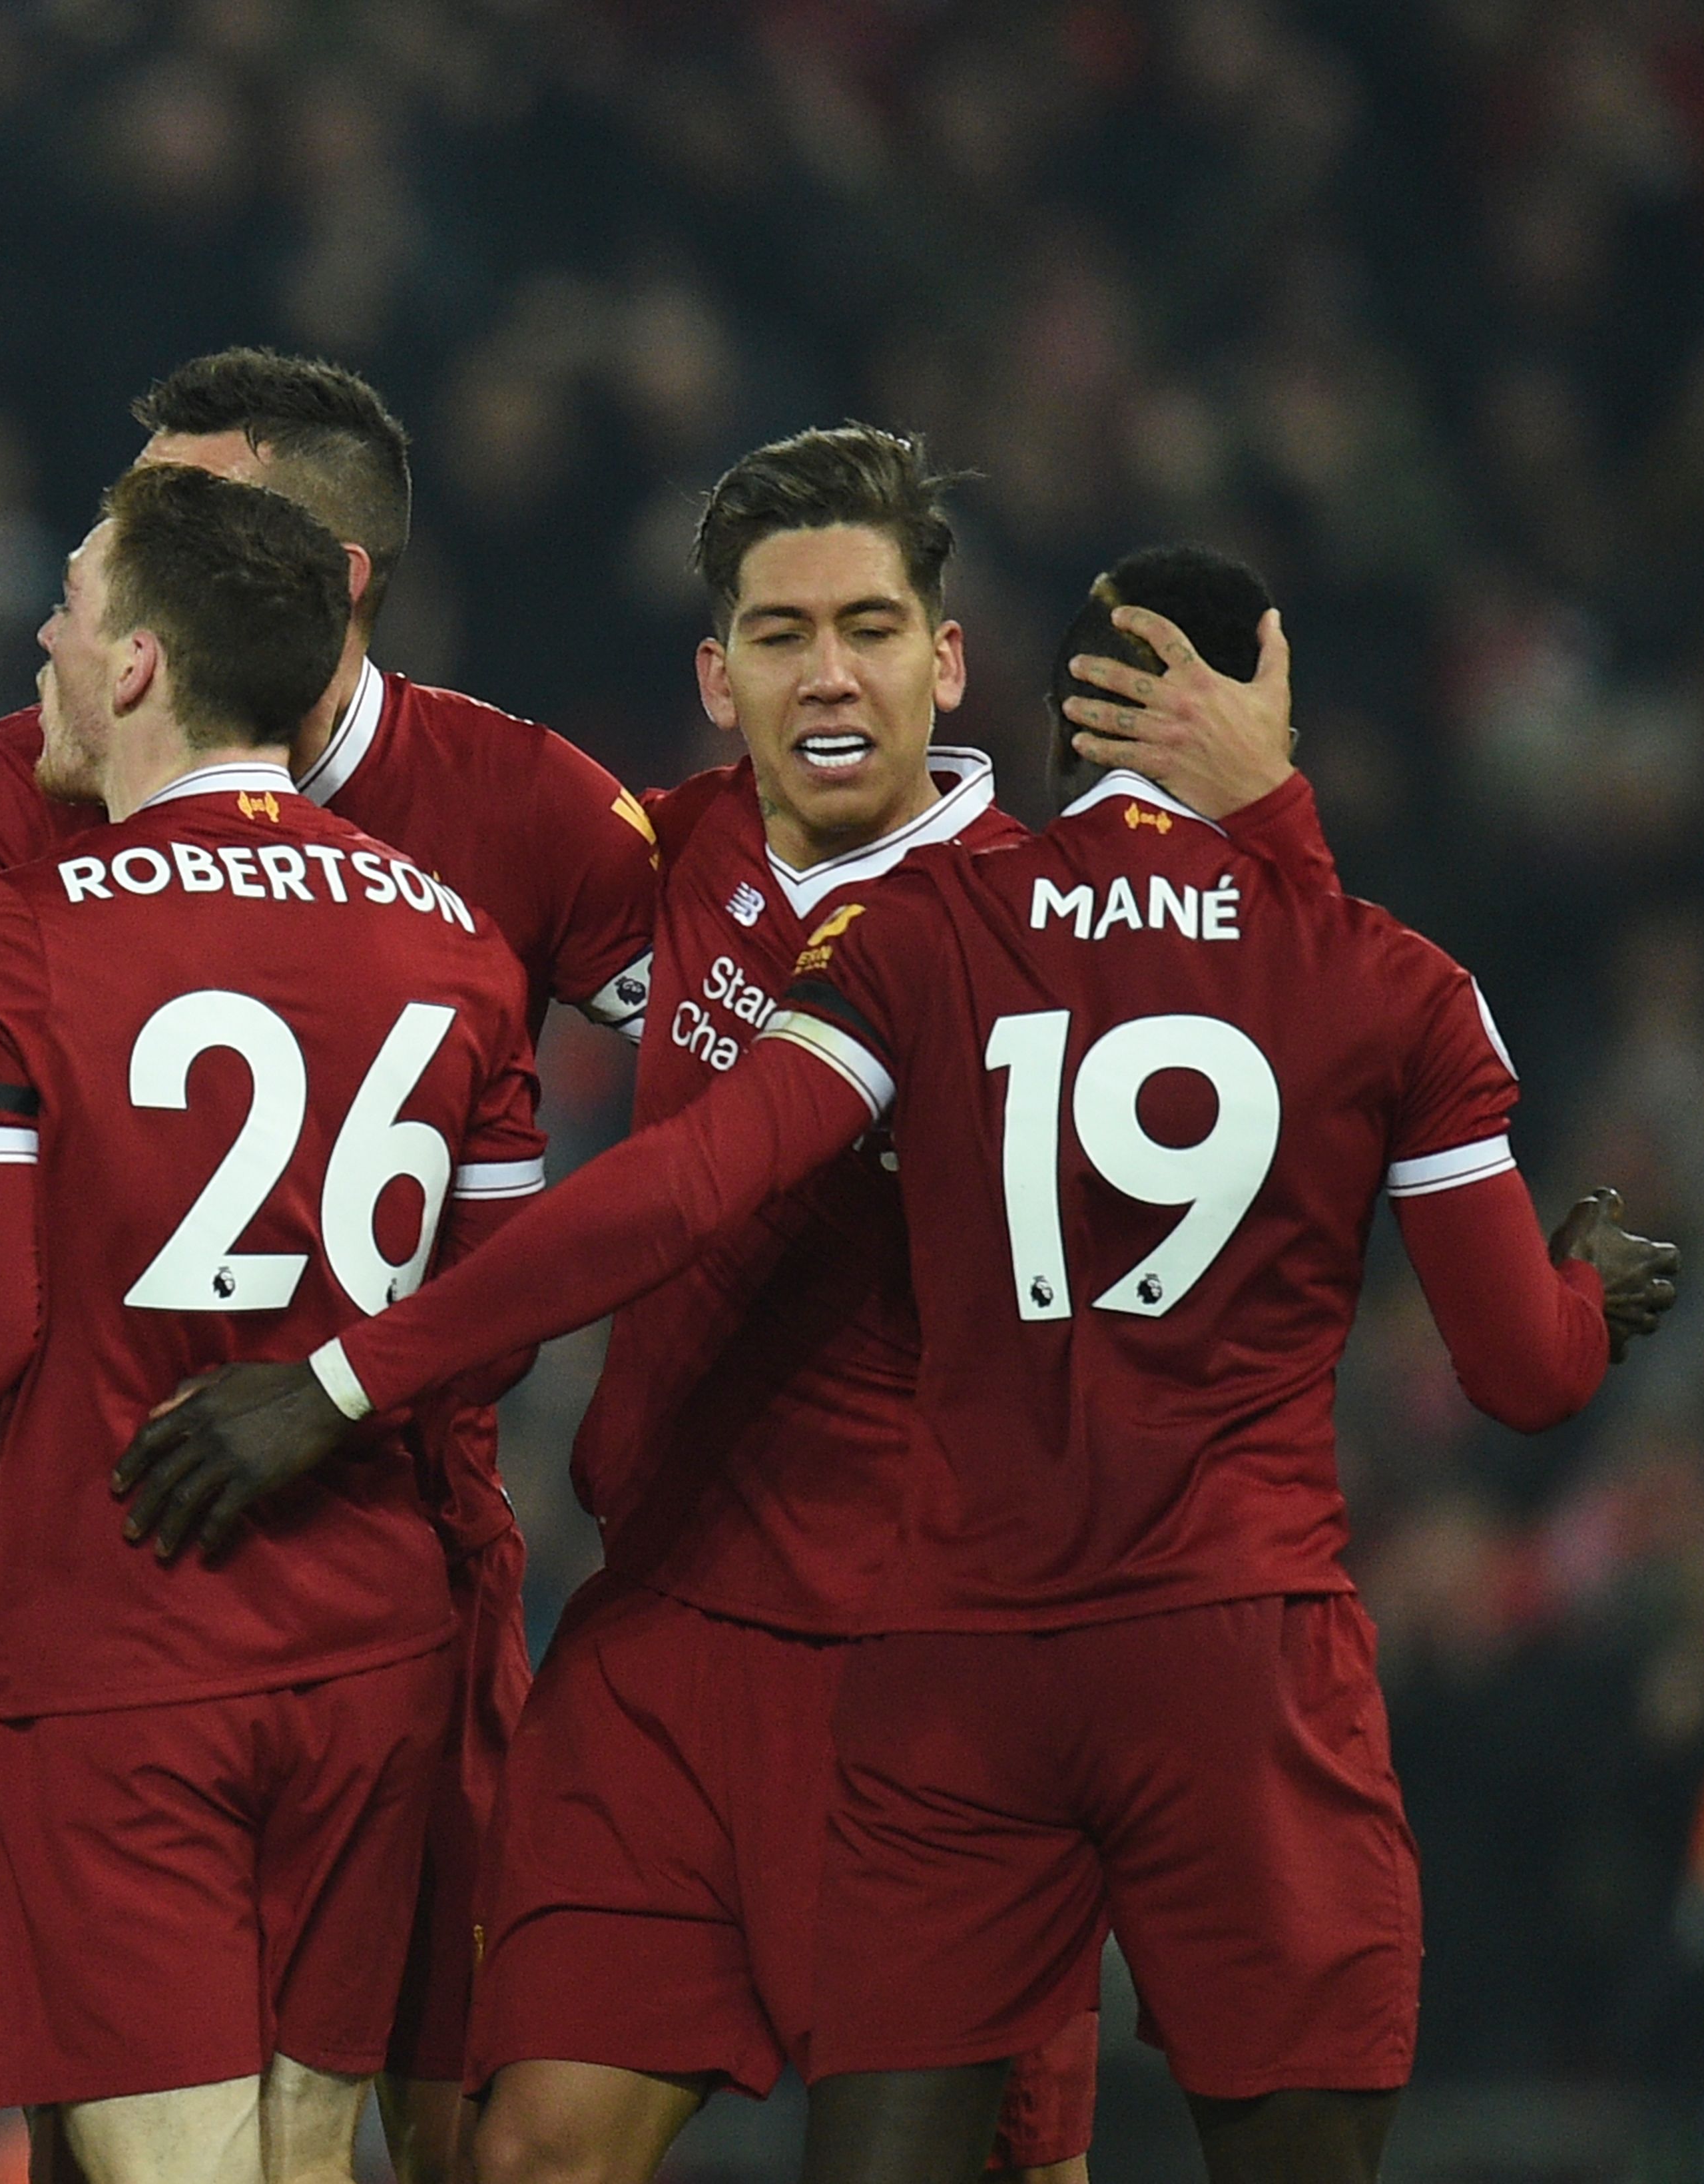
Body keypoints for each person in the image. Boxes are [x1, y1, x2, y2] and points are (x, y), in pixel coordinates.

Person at [117, 545, 1682, 2184]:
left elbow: (686, 1182)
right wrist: (1578, 1287)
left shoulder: (924, 930)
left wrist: (351, 1370)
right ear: (1253, 699)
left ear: (1059, 704)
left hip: (962, 1668)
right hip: (1237, 1649)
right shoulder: (1385, 975)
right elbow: (1524, 1372)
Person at [410, 430, 1328, 2184]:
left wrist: (1279, 817)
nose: (827, 671)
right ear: (717, 673)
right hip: (671, 1638)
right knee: (525, 2153)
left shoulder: (1066, 930)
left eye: (871, 627)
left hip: (947, 1685)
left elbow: (1324, 1034)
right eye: (777, 633)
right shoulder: (670, 864)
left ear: (947, 659)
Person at [0, 350, 661, 2184]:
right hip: (378, 1618)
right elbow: (511, 1286)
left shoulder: (31, 936)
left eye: (79, 595)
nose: (45, 633)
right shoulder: (457, 941)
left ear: (145, 653)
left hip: (124, 1615)